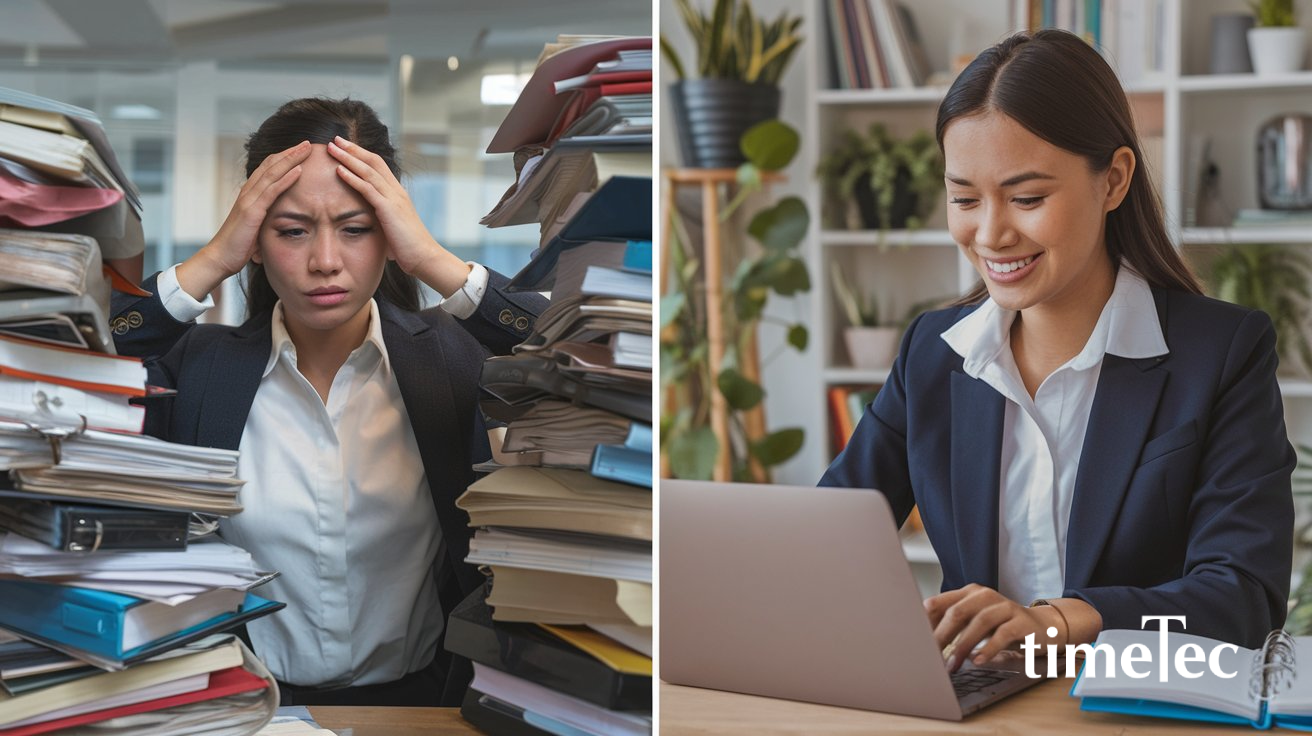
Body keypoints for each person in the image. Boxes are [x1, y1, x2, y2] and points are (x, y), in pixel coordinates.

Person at [819, 29, 1295, 672]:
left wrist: (1056, 622)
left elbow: (1243, 597)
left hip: (1137, 709)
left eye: (1027, 197)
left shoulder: (1222, 353)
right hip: (977, 707)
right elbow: (829, 537)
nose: (990, 234)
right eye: (963, 198)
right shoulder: (934, 353)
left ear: (1114, 180)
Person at [110, 97, 547, 705]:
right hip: (239, 709)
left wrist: (431, 260)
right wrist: (210, 262)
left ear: (390, 230)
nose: (324, 261)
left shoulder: (450, 361)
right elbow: (60, 366)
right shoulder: (199, 367)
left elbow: (589, 355)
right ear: (255, 238)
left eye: (357, 229)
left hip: (427, 707)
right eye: (290, 231)